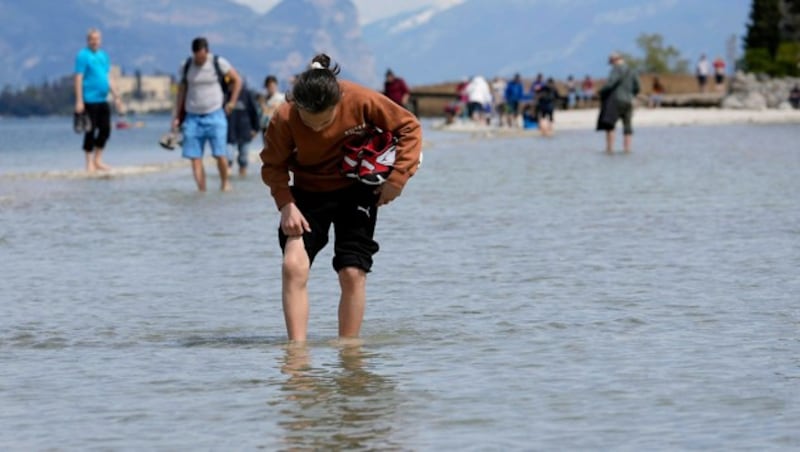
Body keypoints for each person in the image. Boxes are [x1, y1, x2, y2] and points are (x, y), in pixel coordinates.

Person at [260, 54, 422, 342]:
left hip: (357, 189)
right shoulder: (284, 117)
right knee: (292, 266)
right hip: (307, 194)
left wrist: (397, 181)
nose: (318, 130)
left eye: (325, 123)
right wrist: (286, 205)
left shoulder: (360, 99)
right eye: (311, 125)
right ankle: (297, 354)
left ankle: (349, 353)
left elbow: (409, 127)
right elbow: (273, 165)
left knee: (351, 272)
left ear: (338, 103)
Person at [172, 37, 242, 192]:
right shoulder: (186, 66)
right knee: (195, 158)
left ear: (207, 52)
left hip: (215, 114)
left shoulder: (218, 62)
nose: (200, 60)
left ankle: (225, 183)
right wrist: (177, 116)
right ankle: (201, 189)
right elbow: (181, 91)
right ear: (193, 53)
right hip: (192, 117)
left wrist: (232, 102)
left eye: (202, 57)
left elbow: (237, 80)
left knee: (219, 154)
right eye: (197, 57)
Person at [74, 28, 123, 172]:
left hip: (103, 99)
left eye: (97, 39)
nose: (95, 42)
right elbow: (78, 78)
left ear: (100, 40)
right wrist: (79, 100)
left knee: (106, 130)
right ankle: (88, 162)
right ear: (87, 40)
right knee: (90, 130)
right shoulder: (82, 55)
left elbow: (108, 77)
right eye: (92, 39)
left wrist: (116, 96)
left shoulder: (103, 56)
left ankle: (98, 160)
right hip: (89, 99)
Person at [598, 52, 640, 153]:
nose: (611, 64)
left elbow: (610, 84)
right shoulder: (632, 70)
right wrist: (631, 95)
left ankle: (609, 149)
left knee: (610, 125)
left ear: (614, 60)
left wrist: (600, 91)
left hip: (615, 100)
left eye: (611, 62)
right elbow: (637, 87)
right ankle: (627, 150)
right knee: (628, 126)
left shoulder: (616, 69)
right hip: (628, 101)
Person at [226, 81, 260, 176]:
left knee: (243, 159)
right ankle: (228, 181)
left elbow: (254, 112)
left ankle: (242, 180)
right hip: (229, 133)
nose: (231, 85)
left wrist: (256, 129)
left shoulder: (247, 94)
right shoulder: (225, 94)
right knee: (228, 159)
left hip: (245, 131)